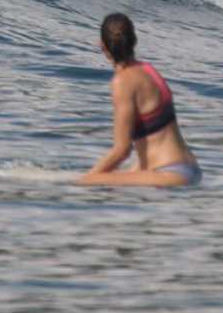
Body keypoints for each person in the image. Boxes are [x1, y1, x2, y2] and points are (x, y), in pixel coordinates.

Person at [79, 13, 201, 187]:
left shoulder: (122, 81)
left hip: (171, 174)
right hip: (190, 168)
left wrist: (87, 177)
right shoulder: (148, 70)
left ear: (102, 46)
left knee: (86, 181)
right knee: (114, 176)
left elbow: (122, 150)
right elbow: (152, 141)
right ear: (134, 40)